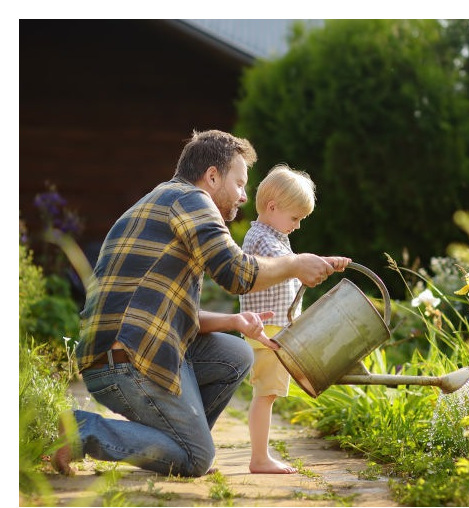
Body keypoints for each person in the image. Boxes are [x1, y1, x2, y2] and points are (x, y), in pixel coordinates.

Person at [52, 130, 350, 478]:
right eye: (239, 184)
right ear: (212, 176)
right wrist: (296, 264)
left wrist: (234, 322)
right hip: (125, 362)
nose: (243, 196)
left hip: (129, 352)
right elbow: (236, 273)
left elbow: (171, 312)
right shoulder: (193, 200)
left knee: (237, 353)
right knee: (196, 459)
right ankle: (83, 430)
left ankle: (176, 444)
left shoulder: (163, 200)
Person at [240, 164, 317, 474]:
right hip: (268, 331)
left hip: (271, 329)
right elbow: (281, 263)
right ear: (272, 207)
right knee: (266, 394)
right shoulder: (263, 240)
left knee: (267, 393)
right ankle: (259, 458)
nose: (297, 226)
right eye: (295, 218)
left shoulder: (268, 235)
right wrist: (304, 265)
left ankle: (260, 455)